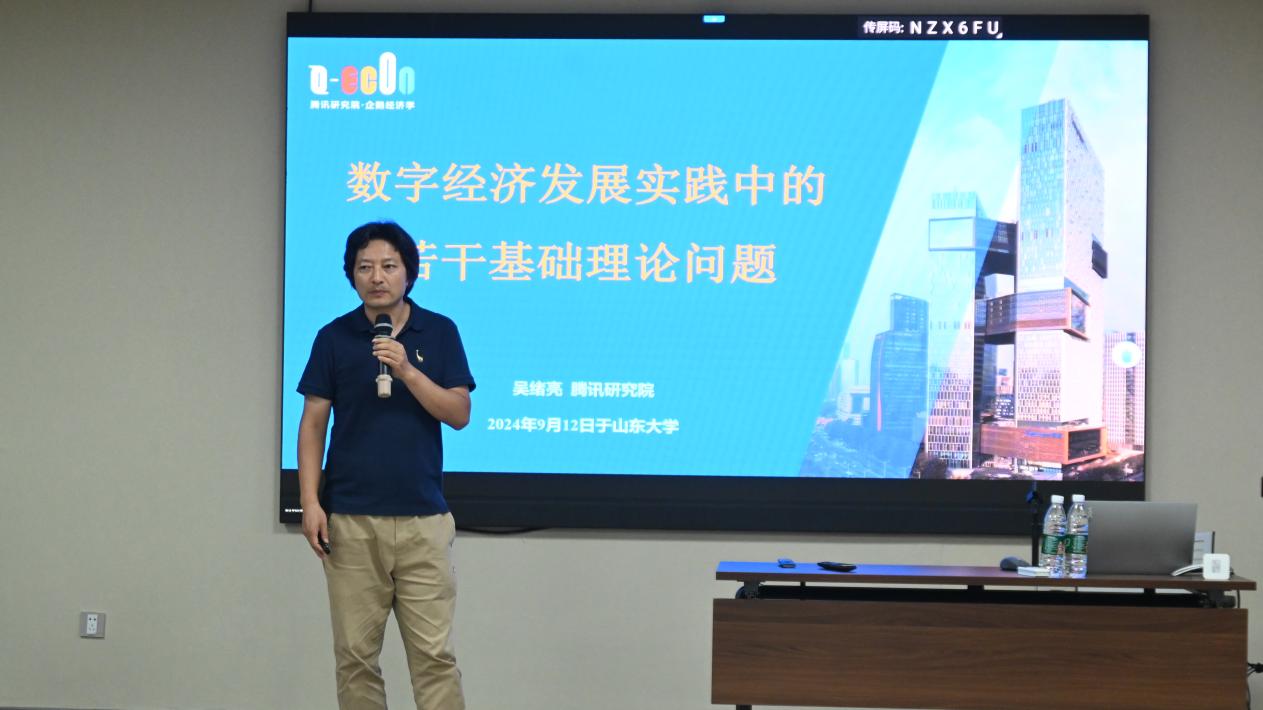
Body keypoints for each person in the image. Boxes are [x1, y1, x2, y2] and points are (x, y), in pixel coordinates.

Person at [297, 221, 475, 710]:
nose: (377, 277)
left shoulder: (439, 331)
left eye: (389, 266)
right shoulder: (333, 337)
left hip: (423, 521)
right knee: (355, 658)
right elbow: (313, 425)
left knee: (434, 657)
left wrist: (407, 370)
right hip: (351, 521)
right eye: (365, 267)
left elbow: (459, 413)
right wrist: (310, 502)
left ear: (408, 273)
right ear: (352, 275)